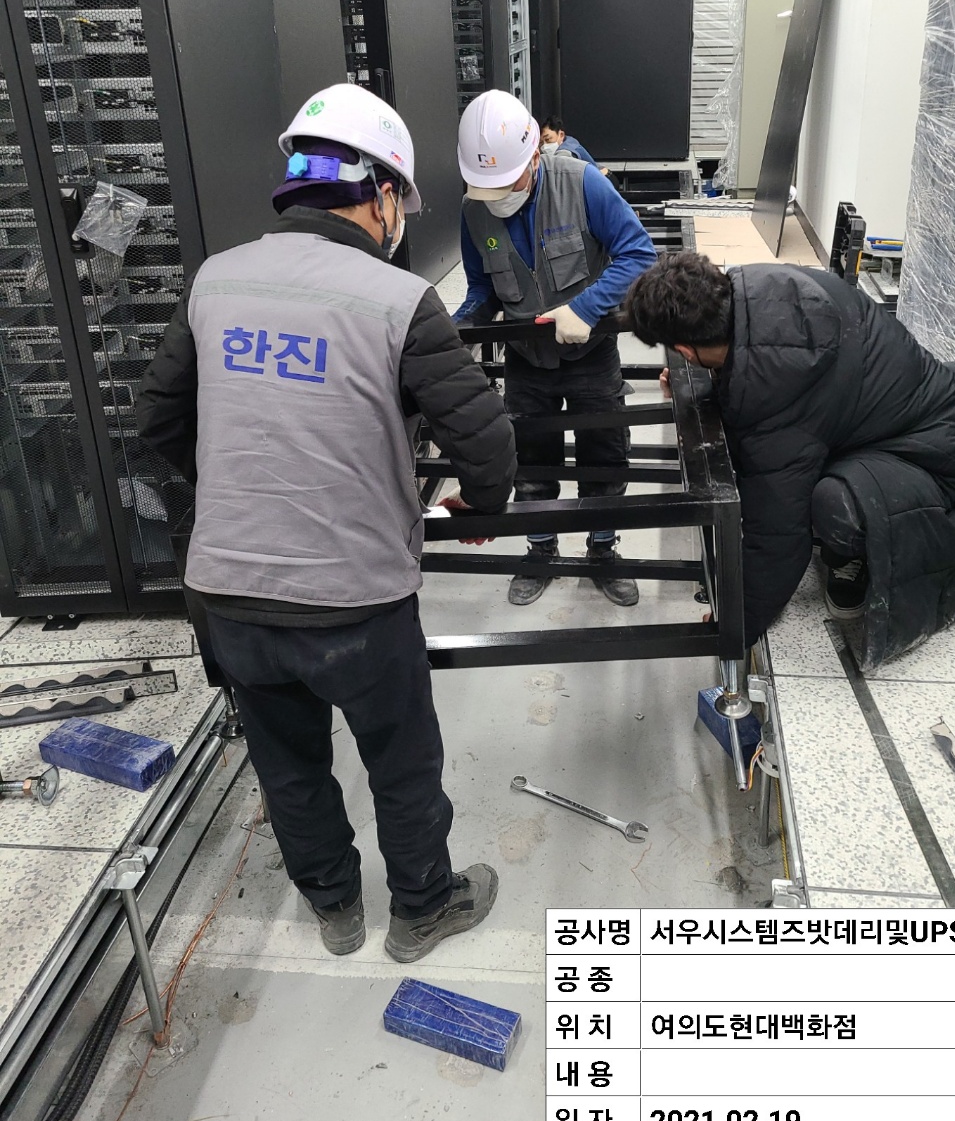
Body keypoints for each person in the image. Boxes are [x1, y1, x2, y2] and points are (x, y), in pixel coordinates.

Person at [136, 84, 516, 962]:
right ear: (380, 194)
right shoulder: (397, 299)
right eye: (399, 201)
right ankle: (422, 908)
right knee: (401, 761)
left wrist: (236, 489)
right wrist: (483, 506)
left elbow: (157, 420)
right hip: (357, 600)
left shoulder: (215, 280)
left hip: (231, 595)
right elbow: (487, 441)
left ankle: (335, 907)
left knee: (288, 764)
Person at [622, 251, 955, 664]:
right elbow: (754, 364)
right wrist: (707, 382)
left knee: (833, 505)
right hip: (926, 407)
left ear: (685, 349)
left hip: (932, 455)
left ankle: (857, 557)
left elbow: (777, 534)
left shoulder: (776, 392)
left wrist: (736, 625)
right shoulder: (756, 284)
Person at [454, 90, 656, 607]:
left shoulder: (581, 182)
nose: (497, 194)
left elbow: (639, 253)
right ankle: (540, 550)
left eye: (507, 182)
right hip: (526, 359)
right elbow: (481, 289)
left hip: (590, 354)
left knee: (603, 457)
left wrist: (586, 308)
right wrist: (459, 326)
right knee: (531, 460)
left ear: (534, 158)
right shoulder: (474, 211)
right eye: (487, 186)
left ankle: (603, 550)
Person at [540, 116, 608, 174]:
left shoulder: (566, 152)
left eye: (548, 139)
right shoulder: (568, 140)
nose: (544, 146)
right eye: (541, 143)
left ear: (561, 135)